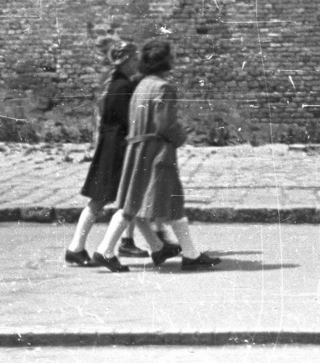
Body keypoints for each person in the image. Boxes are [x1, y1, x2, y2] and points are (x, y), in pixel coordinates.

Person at [92, 39, 221, 271]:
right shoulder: (163, 88)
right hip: (156, 152)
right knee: (173, 200)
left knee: (131, 203)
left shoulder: (141, 85)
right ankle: (189, 256)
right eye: (171, 57)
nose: (174, 60)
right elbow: (165, 125)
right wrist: (181, 136)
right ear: (164, 62)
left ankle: (106, 250)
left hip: (137, 150)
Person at [65, 41, 175, 265]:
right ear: (125, 61)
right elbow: (128, 122)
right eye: (133, 59)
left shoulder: (116, 83)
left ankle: (157, 247)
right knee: (106, 202)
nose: (136, 62)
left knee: (128, 201)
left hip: (110, 147)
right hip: (117, 150)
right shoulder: (122, 87)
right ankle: (76, 248)